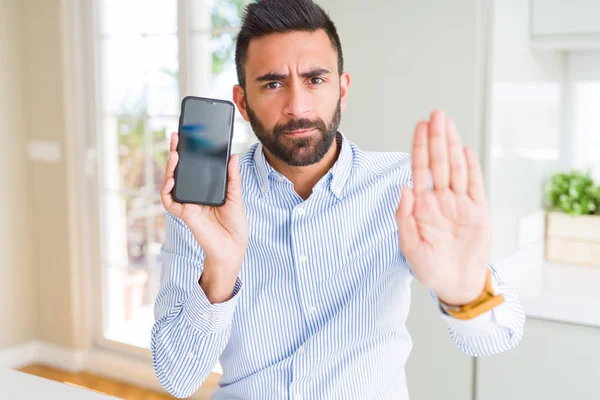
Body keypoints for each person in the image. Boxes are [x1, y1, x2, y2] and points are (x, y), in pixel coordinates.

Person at [151, 0, 525, 398]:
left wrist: (465, 292)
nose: (297, 106)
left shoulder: (404, 187)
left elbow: (495, 339)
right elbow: (177, 378)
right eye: (273, 84)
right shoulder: (205, 209)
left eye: (315, 79)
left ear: (342, 90)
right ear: (242, 102)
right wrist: (221, 270)